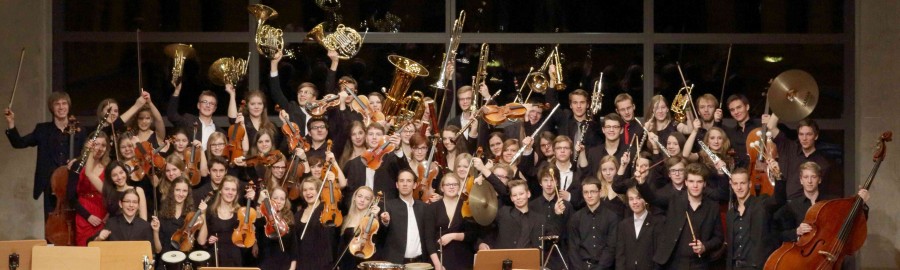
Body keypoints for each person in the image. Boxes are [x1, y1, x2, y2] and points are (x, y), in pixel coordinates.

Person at [5, 92, 86, 219]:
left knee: (74, 222)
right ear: (51, 108)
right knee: (51, 222)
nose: (61, 107)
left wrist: (77, 161)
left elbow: (86, 156)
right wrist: (11, 123)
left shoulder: (79, 130)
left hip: (73, 184)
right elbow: (19, 143)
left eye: (64, 103)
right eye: (57, 104)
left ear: (68, 106)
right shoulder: (42, 130)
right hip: (50, 185)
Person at [638, 163, 724, 269]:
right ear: (686, 182)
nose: (695, 186)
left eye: (699, 181)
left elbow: (719, 238)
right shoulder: (674, 199)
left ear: (704, 184)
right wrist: (641, 182)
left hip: (699, 264)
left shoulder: (712, 207)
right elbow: (653, 199)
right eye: (691, 181)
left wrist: (705, 247)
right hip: (673, 263)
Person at [773, 162, 870, 243]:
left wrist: (862, 204)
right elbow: (779, 235)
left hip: (828, 251)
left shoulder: (832, 202)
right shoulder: (793, 205)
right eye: (806, 177)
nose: (809, 181)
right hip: (803, 257)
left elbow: (853, 222)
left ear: (819, 180)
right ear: (801, 180)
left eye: (813, 177)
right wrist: (796, 231)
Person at [725, 167, 786, 269]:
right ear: (731, 185)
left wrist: (778, 177)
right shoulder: (730, 214)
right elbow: (731, 248)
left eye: (742, 183)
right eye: (735, 184)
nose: (739, 187)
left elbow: (778, 200)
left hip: (757, 267)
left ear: (750, 184)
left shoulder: (762, 203)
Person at [479, 180, 564, 250]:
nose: (518, 197)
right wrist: (480, 243)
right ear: (511, 198)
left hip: (530, 264)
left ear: (528, 194)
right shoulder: (503, 213)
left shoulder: (539, 219)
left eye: (521, 194)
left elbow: (553, 236)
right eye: (515, 195)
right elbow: (485, 228)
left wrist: (557, 214)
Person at [769, 118, 835, 199]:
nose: (804, 138)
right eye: (801, 134)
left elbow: (823, 195)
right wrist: (781, 105)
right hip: (782, 202)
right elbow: (771, 126)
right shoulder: (789, 147)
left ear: (816, 136)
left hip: (804, 207)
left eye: (808, 134)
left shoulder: (823, 164)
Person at [342, 122, 409, 201]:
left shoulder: (392, 159)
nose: (374, 137)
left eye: (378, 134)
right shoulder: (353, 164)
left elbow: (406, 173)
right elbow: (348, 193)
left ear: (383, 138)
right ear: (366, 138)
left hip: (384, 209)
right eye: (370, 134)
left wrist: (398, 149)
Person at [198, 176, 256, 267]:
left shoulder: (241, 213)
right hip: (215, 258)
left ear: (236, 193)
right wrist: (203, 214)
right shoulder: (210, 212)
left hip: (235, 260)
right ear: (220, 190)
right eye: (227, 189)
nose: (230, 192)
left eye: (233, 190)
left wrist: (244, 243)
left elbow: (248, 242)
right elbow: (201, 241)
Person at [423, 174, 477, 270]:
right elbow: (428, 239)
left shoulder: (467, 207)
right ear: (442, 188)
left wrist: (453, 236)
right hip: (440, 258)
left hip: (463, 258)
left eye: (455, 184)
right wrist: (437, 264)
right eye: (448, 184)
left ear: (459, 187)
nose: (451, 187)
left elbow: (472, 235)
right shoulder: (432, 208)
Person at [378, 170, 429, 264]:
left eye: (409, 181)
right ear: (397, 185)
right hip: (395, 263)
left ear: (415, 185)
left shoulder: (424, 207)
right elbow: (379, 234)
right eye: (401, 181)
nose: (405, 184)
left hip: (420, 263)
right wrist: (385, 222)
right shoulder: (388, 206)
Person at [567, 178, 618, 270]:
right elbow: (573, 249)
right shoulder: (576, 218)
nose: (589, 195)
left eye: (593, 192)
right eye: (586, 192)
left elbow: (611, 248)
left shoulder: (611, 217)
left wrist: (600, 268)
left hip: (604, 268)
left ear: (600, 192)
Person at [73, 132, 110, 246]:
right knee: (85, 250)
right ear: (89, 145)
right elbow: (70, 196)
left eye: (103, 145)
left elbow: (111, 194)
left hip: (103, 212)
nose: (99, 148)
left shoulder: (108, 167)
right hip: (84, 212)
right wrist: (87, 216)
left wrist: (108, 214)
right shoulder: (77, 165)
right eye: (96, 144)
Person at [616, 187, 665, 270]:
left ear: (645, 200)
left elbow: (659, 254)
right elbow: (620, 255)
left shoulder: (657, 222)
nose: (634, 202)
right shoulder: (623, 225)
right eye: (631, 199)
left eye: (638, 198)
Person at [167, 81, 223, 150]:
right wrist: (177, 91)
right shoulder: (188, 120)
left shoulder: (219, 131)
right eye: (204, 102)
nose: (208, 105)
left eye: (211, 103)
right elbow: (172, 115)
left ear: (214, 109)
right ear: (198, 105)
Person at [254, 187, 299, 270]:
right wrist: (260, 202)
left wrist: (292, 268)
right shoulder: (263, 219)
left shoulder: (289, 219)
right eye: (275, 198)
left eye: (282, 199)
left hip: (285, 266)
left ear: (285, 201)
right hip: (265, 265)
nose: (278, 201)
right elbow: (258, 234)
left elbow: (294, 249)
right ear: (270, 199)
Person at [294, 177, 334, 270]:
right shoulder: (298, 214)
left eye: (312, 189)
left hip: (321, 262)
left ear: (319, 190)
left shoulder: (326, 210)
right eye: (305, 190)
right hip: (302, 262)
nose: (308, 193)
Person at [90, 189, 155, 243]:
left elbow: (150, 252)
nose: (131, 205)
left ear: (138, 206)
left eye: (135, 202)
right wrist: (99, 238)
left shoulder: (145, 226)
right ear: (120, 204)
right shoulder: (111, 223)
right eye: (127, 201)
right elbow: (89, 242)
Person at [336, 186, 379, 270]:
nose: (362, 200)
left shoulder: (373, 220)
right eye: (360, 196)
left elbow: (376, 241)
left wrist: (375, 216)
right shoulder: (346, 219)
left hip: (364, 262)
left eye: (367, 198)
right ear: (354, 197)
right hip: (346, 264)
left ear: (370, 202)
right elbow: (341, 245)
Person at [153, 177, 196, 255]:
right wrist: (155, 232)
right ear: (172, 191)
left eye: (184, 191)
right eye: (177, 190)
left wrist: (203, 213)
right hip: (166, 259)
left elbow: (200, 242)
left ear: (188, 193)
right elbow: (158, 250)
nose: (181, 194)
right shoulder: (162, 214)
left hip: (184, 258)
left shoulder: (191, 215)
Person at [723, 94, 761, 168]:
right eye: (732, 110)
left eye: (739, 107)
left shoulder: (760, 126)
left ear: (747, 107)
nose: (736, 112)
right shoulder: (731, 132)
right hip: (739, 175)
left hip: (759, 173)